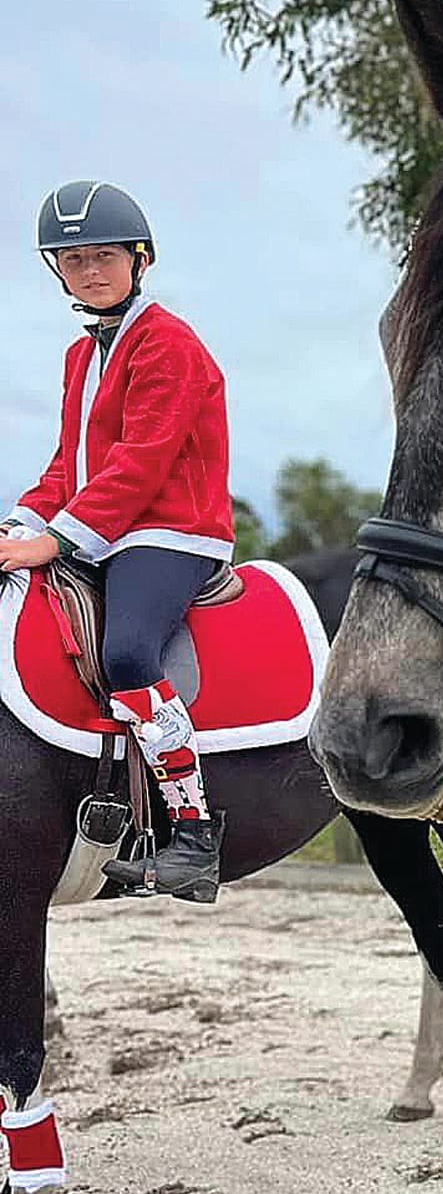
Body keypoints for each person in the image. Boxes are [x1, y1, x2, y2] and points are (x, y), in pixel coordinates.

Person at [1, 181, 234, 900]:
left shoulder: (168, 341)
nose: (90, 271)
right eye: (72, 261)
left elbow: (143, 461)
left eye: (104, 255)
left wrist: (59, 542)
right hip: (111, 526)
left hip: (172, 529)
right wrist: (19, 524)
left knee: (128, 650)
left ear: (140, 258)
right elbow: (66, 467)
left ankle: (194, 836)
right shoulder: (81, 354)